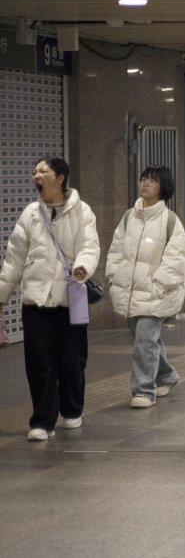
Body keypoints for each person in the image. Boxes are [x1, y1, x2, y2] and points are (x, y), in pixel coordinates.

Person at [0, 157, 100, 441]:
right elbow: (14, 258)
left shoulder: (82, 211)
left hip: (70, 299)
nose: (36, 175)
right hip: (36, 303)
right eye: (34, 172)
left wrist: (82, 267)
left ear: (60, 177)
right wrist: (2, 295)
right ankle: (43, 421)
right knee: (39, 361)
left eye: (43, 171)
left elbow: (90, 246)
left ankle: (71, 409)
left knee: (71, 360)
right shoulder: (31, 213)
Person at [106, 166, 185, 409]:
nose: (145, 184)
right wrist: (114, 275)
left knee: (144, 340)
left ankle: (144, 390)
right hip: (130, 291)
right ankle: (166, 375)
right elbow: (116, 249)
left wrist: (158, 285)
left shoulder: (170, 221)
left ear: (162, 187)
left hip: (156, 294)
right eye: (143, 179)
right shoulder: (128, 217)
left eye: (151, 181)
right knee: (147, 340)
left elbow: (176, 259)